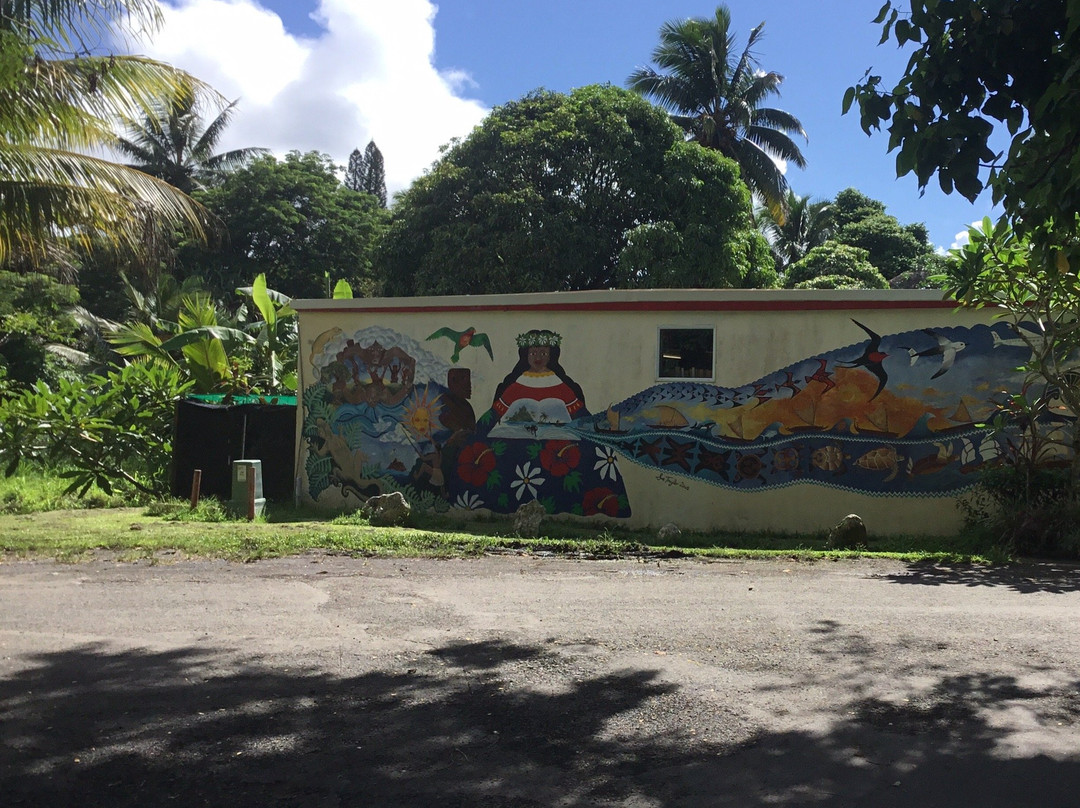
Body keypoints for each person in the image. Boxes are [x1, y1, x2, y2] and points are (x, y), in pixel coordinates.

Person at [490, 330, 587, 426]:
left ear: (550, 356)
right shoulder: (515, 386)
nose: (538, 358)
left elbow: (582, 420)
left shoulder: (562, 386)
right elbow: (493, 417)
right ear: (526, 355)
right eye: (533, 353)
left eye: (543, 353)